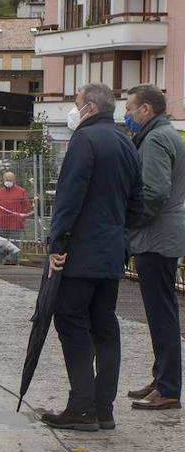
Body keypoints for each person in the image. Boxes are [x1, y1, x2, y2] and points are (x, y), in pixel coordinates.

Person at [42, 83, 143, 431]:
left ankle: (81, 406)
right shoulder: (126, 143)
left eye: (76, 104)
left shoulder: (83, 141)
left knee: (71, 322)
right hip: (112, 253)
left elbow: (69, 198)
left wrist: (57, 245)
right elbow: (137, 204)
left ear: (90, 108)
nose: (74, 110)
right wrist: (120, 239)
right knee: (105, 326)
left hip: (80, 254)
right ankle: (104, 409)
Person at [123, 84, 184, 411]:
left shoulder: (157, 139)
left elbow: (155, 191)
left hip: (156, 236)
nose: (127, 114)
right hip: (161, 235)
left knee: (161, 314)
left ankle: (168, 388)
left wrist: (132, 222)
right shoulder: (164, 134)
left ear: (146, 109)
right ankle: (162, 377)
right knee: (161, 312)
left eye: (131, 108)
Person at [0, 171, 31, 246]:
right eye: (7, 180)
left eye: (10, 180)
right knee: (1, 245)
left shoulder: (21, 191)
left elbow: (26, 207)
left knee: (14, 245)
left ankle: (13, 258)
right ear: (3, 180)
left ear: (14, 180)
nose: (8, 182)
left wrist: (21, 219)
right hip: (2, 224)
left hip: (15, 224)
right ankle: (2, 258)